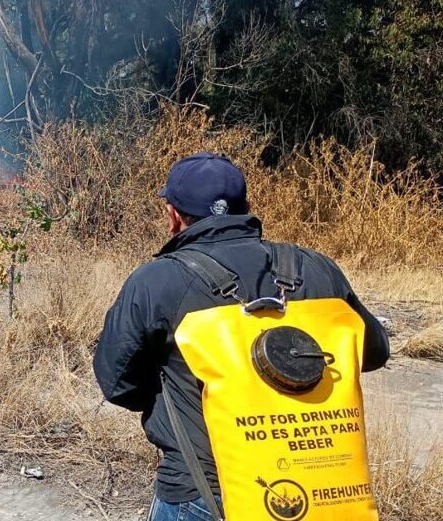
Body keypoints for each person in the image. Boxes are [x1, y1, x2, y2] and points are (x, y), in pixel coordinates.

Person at [92, 152, 390, 521]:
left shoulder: (156, 282)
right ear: (246, 207)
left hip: (205, 492)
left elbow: (117, 383)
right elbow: (374, 352)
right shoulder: (315, 268)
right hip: (320, 487)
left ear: (173, 215)